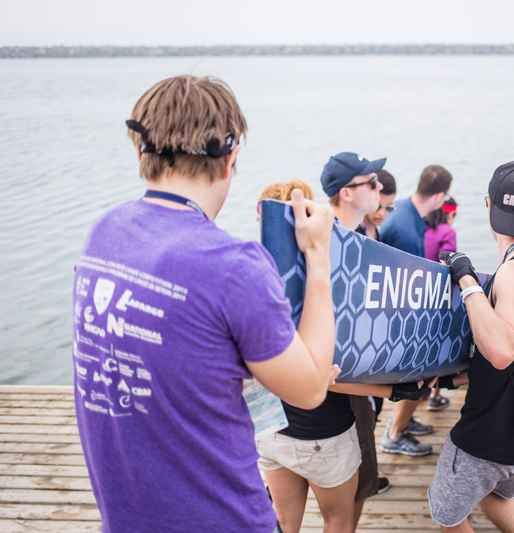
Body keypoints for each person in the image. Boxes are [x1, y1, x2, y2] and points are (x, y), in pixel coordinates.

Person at [72, 75, 337, 533]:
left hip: (125, 519)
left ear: (141, 153)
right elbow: (311, 390)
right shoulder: (235, 265)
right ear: (230, 159)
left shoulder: (103, 233)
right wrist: (317, 255)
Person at [256, 155, 431, 533]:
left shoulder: (259, 279)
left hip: (271, 431)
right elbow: (322, 375)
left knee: (284, 521)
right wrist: (394, 387)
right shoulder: (320, 282)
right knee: (340, 520)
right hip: (322, 431)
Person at [429, 161, 514, 532]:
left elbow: (501, 353)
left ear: (489, 207)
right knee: (497, 495)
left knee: (448, 516)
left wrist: (466, 279)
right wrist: (452, 380)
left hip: (488, 434)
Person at [379, 164, 453, 455]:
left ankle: (404, 421)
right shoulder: (407, 231)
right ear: (439, 196)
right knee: (422, 371)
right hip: (399, 319)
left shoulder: (401, 210)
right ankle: (395, 432)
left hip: (394, 310)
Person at [424, 196, 458, 411]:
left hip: (416, 293)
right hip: (437, 296)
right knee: (439, 346)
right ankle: (434, 396)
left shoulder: (423, 229)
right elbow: (449, 263)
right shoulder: (447, 231)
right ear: (450, 212)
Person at [357, 169, 396, 241]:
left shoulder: (376, 233)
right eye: (378, 206)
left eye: (388, 208)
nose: (382, 213)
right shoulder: (353, 231)